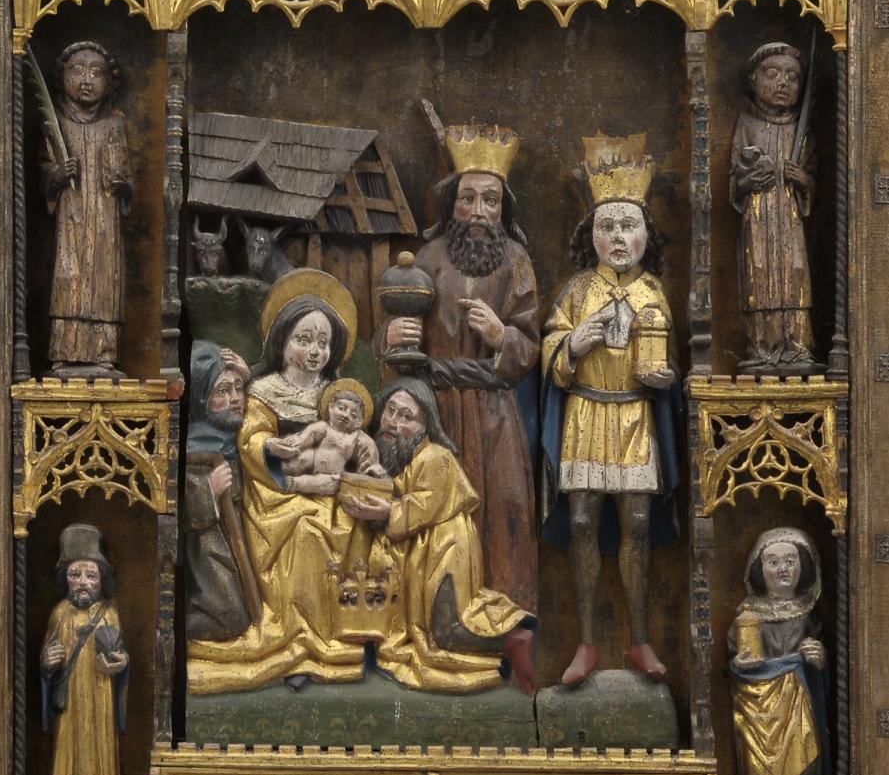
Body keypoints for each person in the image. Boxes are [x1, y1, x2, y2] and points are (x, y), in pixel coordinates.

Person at [378, 122, 544, 612]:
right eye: (467, 199)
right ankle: (438, 612)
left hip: (494, 412)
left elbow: (530, 344)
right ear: (452, 204)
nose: (478, 211)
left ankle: (506, 616)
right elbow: (394, 326)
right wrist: (390, 336)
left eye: (490, 200)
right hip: (435, 411)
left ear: (503, 208)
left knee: (505, 507)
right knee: (436, 511)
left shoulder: (516, 260)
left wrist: (501, 336)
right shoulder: (429, 257)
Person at [540, 134, 684, 686]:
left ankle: (641, 639)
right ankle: (585, 643)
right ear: (591, 235)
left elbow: (668, 358)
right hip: (585, 414)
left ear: (647, 234)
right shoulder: (578, 290)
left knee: (638, 525)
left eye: (629, 226)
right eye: (608, 226)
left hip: (634, 419)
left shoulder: (654, 292)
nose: (619, 237)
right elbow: (550, 348)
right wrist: (572, 345)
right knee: (580, 521)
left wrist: (665, 379)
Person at [185, 273, 371, 693]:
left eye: (323, 343)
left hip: (328, 488)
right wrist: (273, 448)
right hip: (274, 493)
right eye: (304, 339)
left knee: (352, 525)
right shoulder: (264, 390)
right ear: (282, 342)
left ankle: (330, 634)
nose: (315, 351)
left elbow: (356, 439)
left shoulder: (336, 394)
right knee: (307, 529)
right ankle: (296, 636)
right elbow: (249, 439)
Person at [340, 378, 537, 695]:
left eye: (407, 416)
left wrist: (388, 511)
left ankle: (513, 639)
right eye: (390, 411)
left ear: (425, 426)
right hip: (421, 554)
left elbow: (422, 505)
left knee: (447, 630)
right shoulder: (395, 456)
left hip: (443, 553)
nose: (393, 422)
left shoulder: (435, 456)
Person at [728, 527, 829, 775]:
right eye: (773, 562)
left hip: (798, 699)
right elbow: (736, 656)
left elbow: (823, 662)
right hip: (757, 705)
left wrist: (818, 658)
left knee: (805, 758)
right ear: (760, 570)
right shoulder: (748, 613)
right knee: (759, 767)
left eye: (790, 561)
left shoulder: (808, 613)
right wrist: (740, 663)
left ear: (803, 567)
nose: (783, 569)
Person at [43, 41, 133, 375]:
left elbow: (126, 176)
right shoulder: (56, 125)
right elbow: (42, 173)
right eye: (77, 71)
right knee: (69, 278)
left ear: (109, 82)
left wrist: (122, 185)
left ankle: (104, 352)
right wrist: (56, 175)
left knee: (104, 281)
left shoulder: (114, 125)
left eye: (96, 73)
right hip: (71, 218)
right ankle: (64, 350)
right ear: (63, 76)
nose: (86, 80)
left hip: (105, 220)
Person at [731, 43, 817, 370]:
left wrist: (803, 180)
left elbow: (814, 180)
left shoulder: (802, 129)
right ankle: (762, 348)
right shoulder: (747, 124)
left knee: (795, 273)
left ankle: (797, 345)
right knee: (760, 275)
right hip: (758, 217)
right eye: (772, 74)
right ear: (754, 80)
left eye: (792, 77)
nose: (783, 82)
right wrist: (749, 180)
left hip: (790, 219)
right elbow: (734, 181)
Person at [38, 524, 128, 775]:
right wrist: (47, 662)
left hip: (100, 690)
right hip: (70, 692)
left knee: (101, 737)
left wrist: (120, 663)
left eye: (91, 575)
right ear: (65, 579)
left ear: (102, 580)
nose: (82, 583)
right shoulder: (59, 613)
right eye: (75, 575)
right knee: (67, 739)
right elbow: (47, 653)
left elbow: (121, 651)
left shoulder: (109, 613)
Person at [181, 343, 256, 643]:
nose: (235, 399)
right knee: (231, 617)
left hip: (245, 535)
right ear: (201, 399)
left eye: (239, 388)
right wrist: (208, 491)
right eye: (222, 391)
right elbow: (176, 511)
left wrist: (250, 377)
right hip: (207, 547)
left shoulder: (241, 435)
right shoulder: (194, 449)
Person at [280, 378, 385, 492]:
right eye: (341, 408)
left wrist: (372, 468)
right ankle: (282, 469)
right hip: (314, 458)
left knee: (324, 483)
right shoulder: (324, 427)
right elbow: (309, 435)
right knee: (303, 458)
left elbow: (369, 451)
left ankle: (294, 484)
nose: (345, 415)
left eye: (353, 415)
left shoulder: (357, 437)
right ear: (331, 407)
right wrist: (299, 440)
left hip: (333, 474)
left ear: (359, 422)